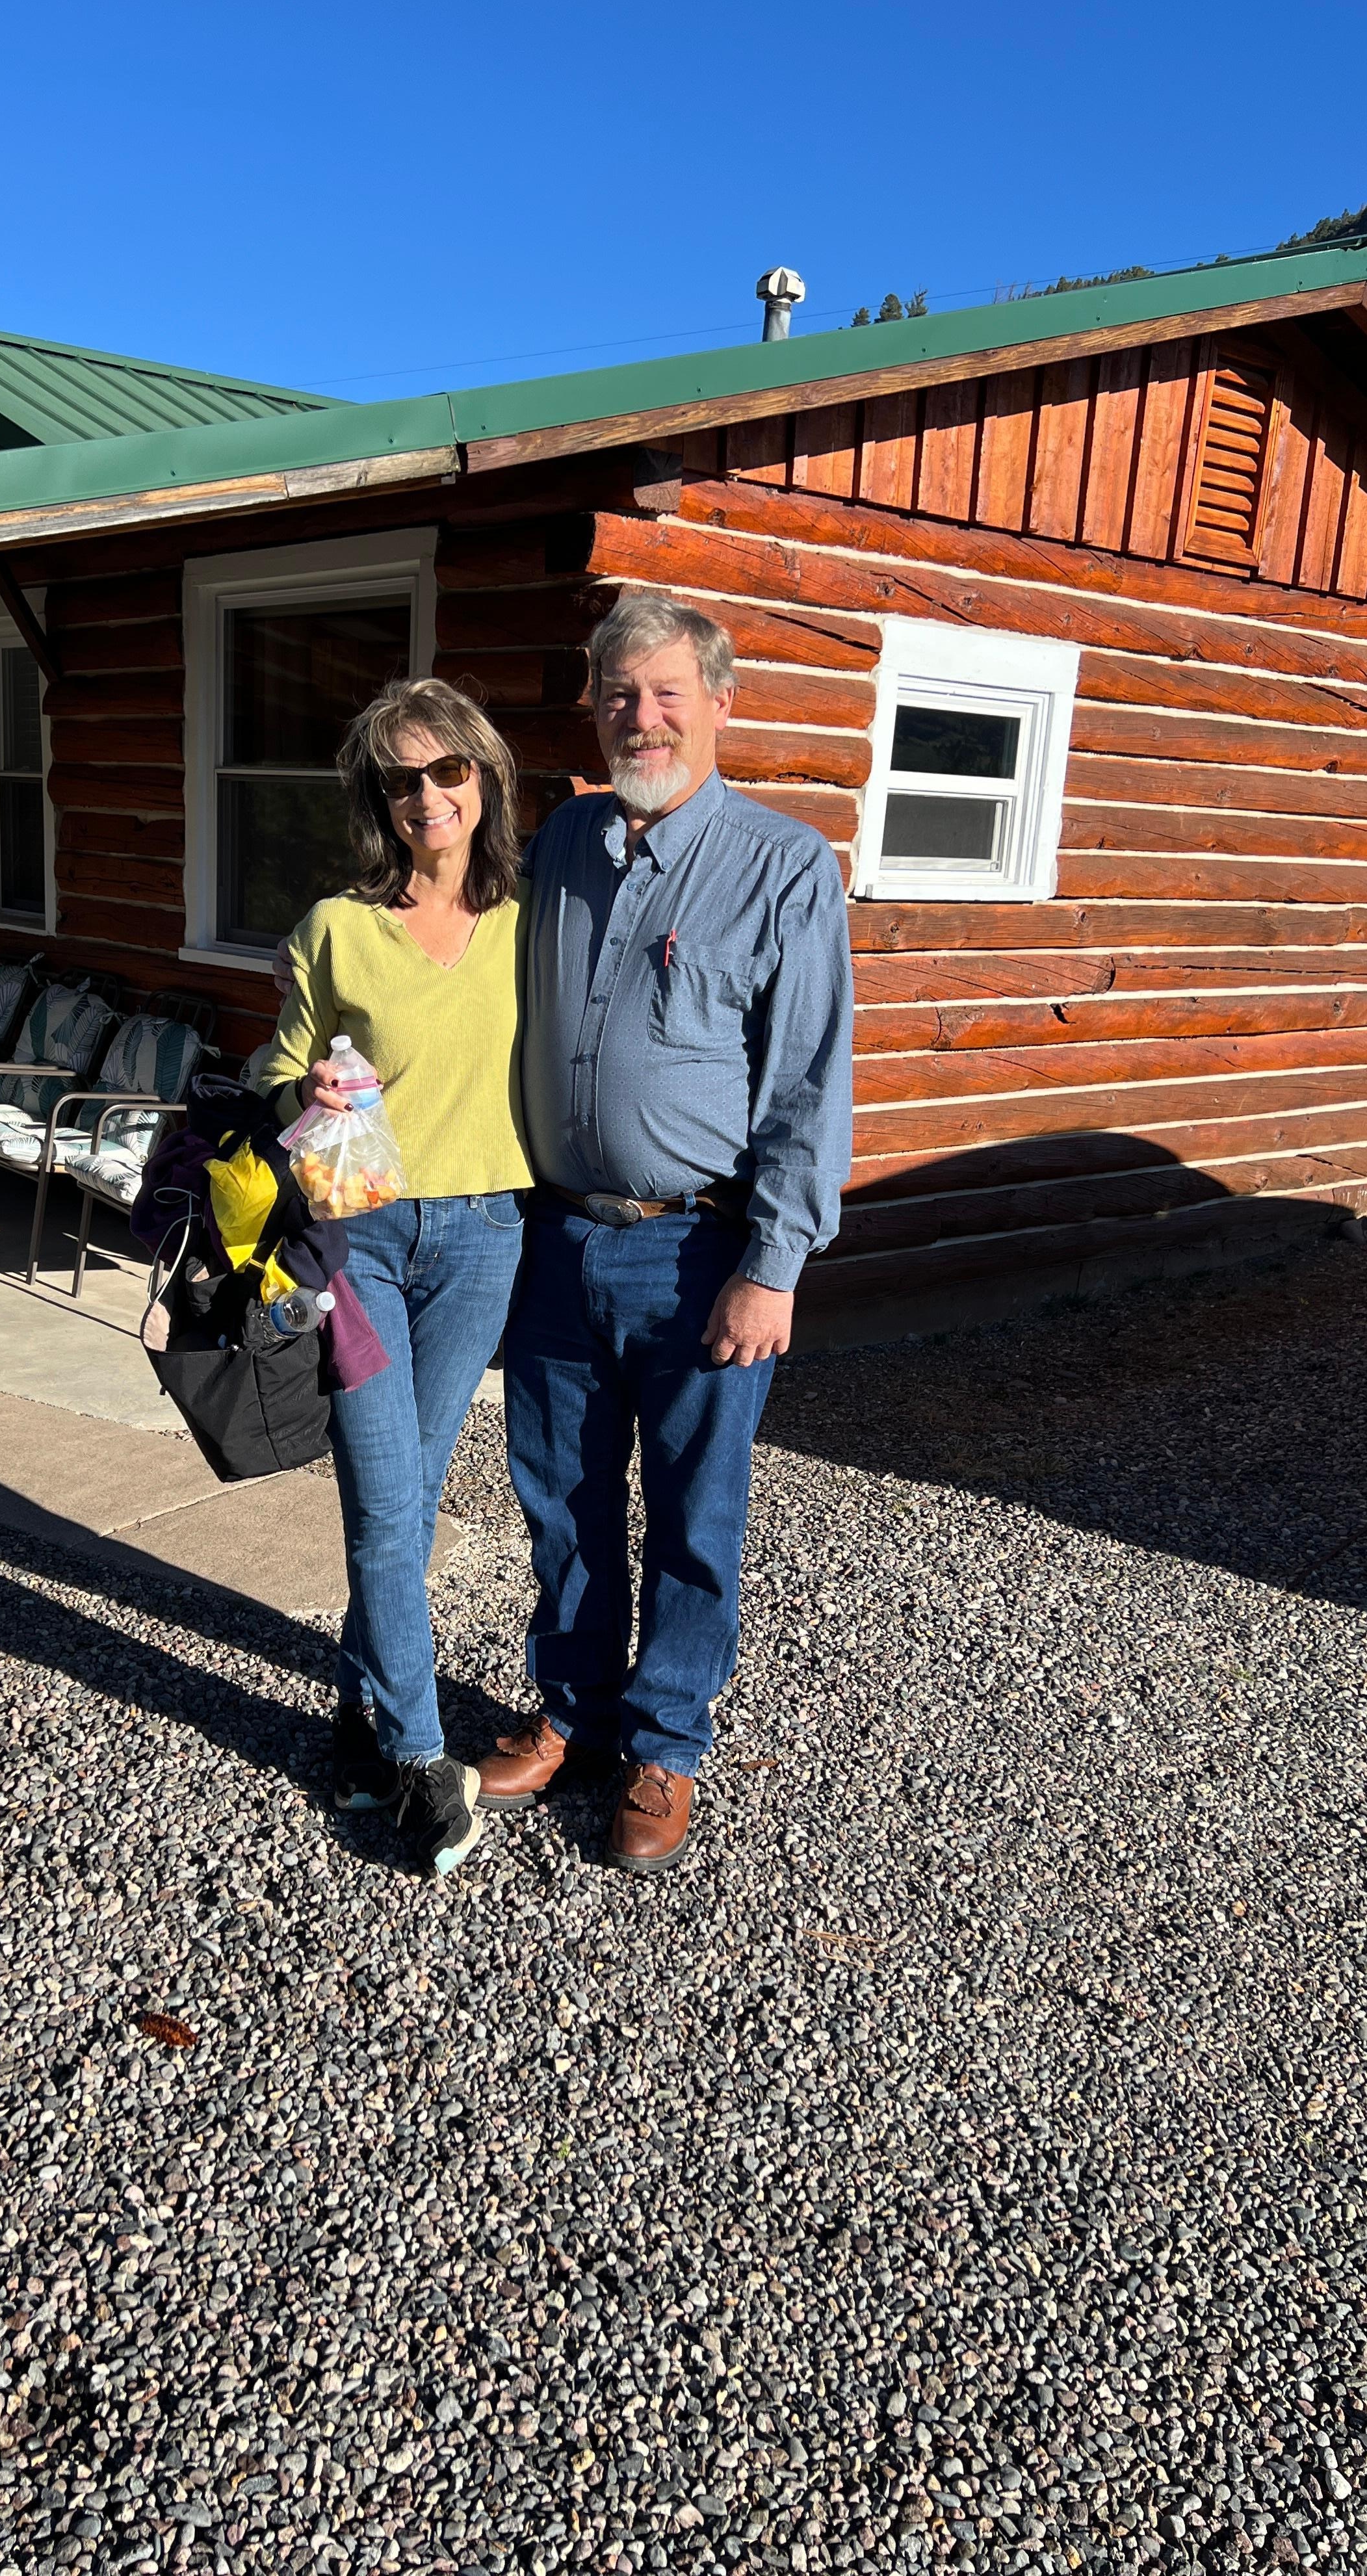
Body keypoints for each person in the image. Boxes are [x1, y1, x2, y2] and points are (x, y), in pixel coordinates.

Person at [476, 590, 855, 1873]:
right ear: (594, 710)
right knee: (563, 1502)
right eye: (619, 694)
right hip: (554, 1242)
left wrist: (773, 1264)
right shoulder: (562, 842)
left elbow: (810, 1079)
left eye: (666, 693)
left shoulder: (784, 865)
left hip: (697, 1249)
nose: (642, 716)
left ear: (720, 705)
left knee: (696, 1512)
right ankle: (573, 1714)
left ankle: (665, 1746)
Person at [261, 678, 531, 1879]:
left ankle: (354, 1718)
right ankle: (423, 1755)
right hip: (360, 1237)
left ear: (485, 777)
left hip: (484, 1239)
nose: (429, 797)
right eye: (402, 779)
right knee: (383, 1499)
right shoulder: (340, 924)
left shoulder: (537, 918)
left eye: (448, 771)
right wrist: (300, 1094)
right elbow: (277, 1067)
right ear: (379, 798)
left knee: (412, 1499)